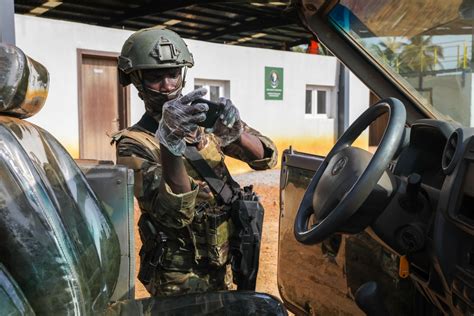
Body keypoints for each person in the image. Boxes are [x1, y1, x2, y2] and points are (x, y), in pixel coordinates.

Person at [112, 27, 277, 296]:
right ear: (136, 80)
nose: (167, 85)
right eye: (155, 77)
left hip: (222, 260)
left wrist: (237, 133)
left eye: (173, 74)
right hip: (179, 276)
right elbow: (175, 213)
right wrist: (169, 143)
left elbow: (267, 159)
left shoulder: (204, 120)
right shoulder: (133, 143)